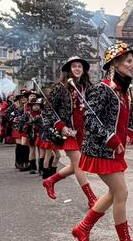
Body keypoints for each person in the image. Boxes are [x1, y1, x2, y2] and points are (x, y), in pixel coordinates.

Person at [71, 42, 133, 241]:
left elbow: (121, 118)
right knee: (121, 193)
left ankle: (83, 228)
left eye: (132, 61)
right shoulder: (103, 89)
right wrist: (111, 139)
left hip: (114, 152)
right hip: (101, 151)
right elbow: (90, 120)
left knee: (113, 194)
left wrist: (128, 131)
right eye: (129, 61)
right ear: (116, 65)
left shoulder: (123, 92)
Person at [42, 57, 98, 209]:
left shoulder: (87, 87)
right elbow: (48, 110)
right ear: (69, 69)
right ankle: (91, 198)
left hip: (82, 133)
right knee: (79, 165)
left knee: (76, 166)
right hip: (67, 133)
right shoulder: (60, 87)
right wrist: (61, 126)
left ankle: (50, 181)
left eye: (80, 66)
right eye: (74, 66)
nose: (77, 69)